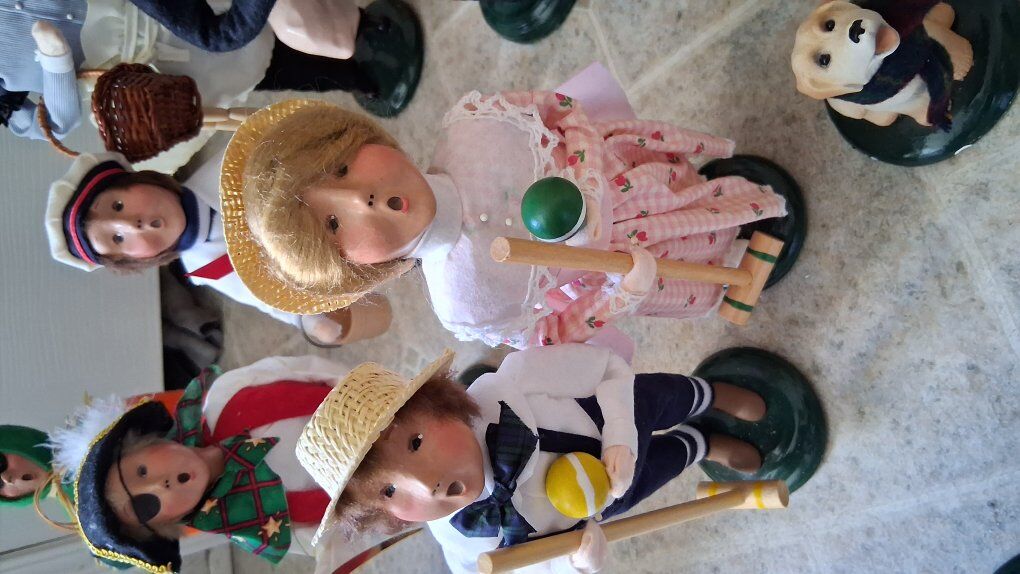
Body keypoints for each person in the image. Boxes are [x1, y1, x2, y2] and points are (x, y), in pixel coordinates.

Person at [221, 90, 787, 349]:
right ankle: (735, 253)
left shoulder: (475, 128)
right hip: (639, 265)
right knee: (702, 257)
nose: (360, 200)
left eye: (344, 167)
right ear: (353, 269)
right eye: (333, 226)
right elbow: (551, 336)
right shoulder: (466, 303)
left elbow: (561, 110)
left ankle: (736, 197)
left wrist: (588, 176)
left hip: (638, 178)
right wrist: (618, 297)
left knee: (695, 187)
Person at [295, 344, 766, 573]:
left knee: (668, 396)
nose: (425, 485)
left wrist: (621, 436)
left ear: (439, 404)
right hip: (603, 503)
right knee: (660, 468)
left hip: (616, 413)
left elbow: (607, 368)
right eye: (389, 491)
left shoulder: (513, 383)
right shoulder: (463, 538)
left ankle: (710, 394)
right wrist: (577, 562)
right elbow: (523, 570)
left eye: (415, 443)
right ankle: (701, 445)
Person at [47, 356, 393, 573]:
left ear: (146, 441)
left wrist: (372, 393)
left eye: (141, 472)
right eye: (147, 506)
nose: (157, 485)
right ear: (166, 525)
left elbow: (307, 370)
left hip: (384, 403)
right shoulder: (257, 523)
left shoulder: (228, 394)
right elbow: (338, 537)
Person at [45, 150, 390, 346]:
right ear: (135, 260)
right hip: (344, 256)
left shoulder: (228, 165)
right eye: (118, 240)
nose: (131, 225)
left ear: (137, 180)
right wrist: (304, 317)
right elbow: (264, 295)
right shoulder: (204, 267)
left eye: (118, 205)